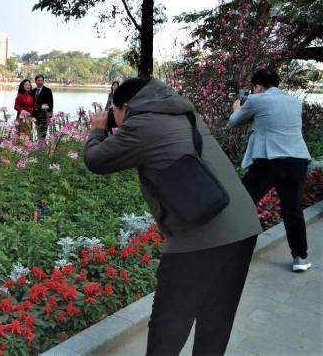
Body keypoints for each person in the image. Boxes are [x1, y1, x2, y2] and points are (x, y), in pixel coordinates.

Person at [84, 77, 262, 355]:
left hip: (202, 235)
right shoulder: (183, 112)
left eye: (113, 111)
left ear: (126, 106)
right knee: (216, 321)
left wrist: (97, 130)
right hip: (242, 228)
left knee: (169, 325)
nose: (114, 119)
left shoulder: (142, 125)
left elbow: (96, 160)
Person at [229, 69, 312, 272]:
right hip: (297, 160)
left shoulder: (256, 101)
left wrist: (237, 108)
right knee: (292, 210)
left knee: (243, 203)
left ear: (257, 86)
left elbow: (234, 122)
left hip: (270, 161)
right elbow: (273, 121)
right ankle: (299, 258)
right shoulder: (294, 102)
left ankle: (236, 254)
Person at [32, 75, 53, 139]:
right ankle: (39, 147)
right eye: (38, 80)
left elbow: (51, 104)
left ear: (43, 81)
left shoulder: (48, 90)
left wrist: (49, 115)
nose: (40, 82)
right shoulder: (33, 91)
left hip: (44, 115)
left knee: (43, 133)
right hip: (35, 115)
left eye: (41, 80)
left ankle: (42, 147)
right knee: (37, 132)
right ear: (35, 81)